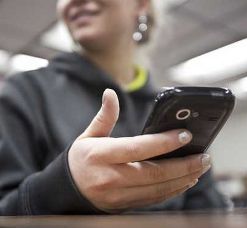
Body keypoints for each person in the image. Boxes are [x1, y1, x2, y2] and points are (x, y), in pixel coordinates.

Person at [0, 0, 228, 216]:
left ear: (141, 4)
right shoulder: (24, 92)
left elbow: (205, 209)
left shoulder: (173, 108)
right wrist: (64, 185)